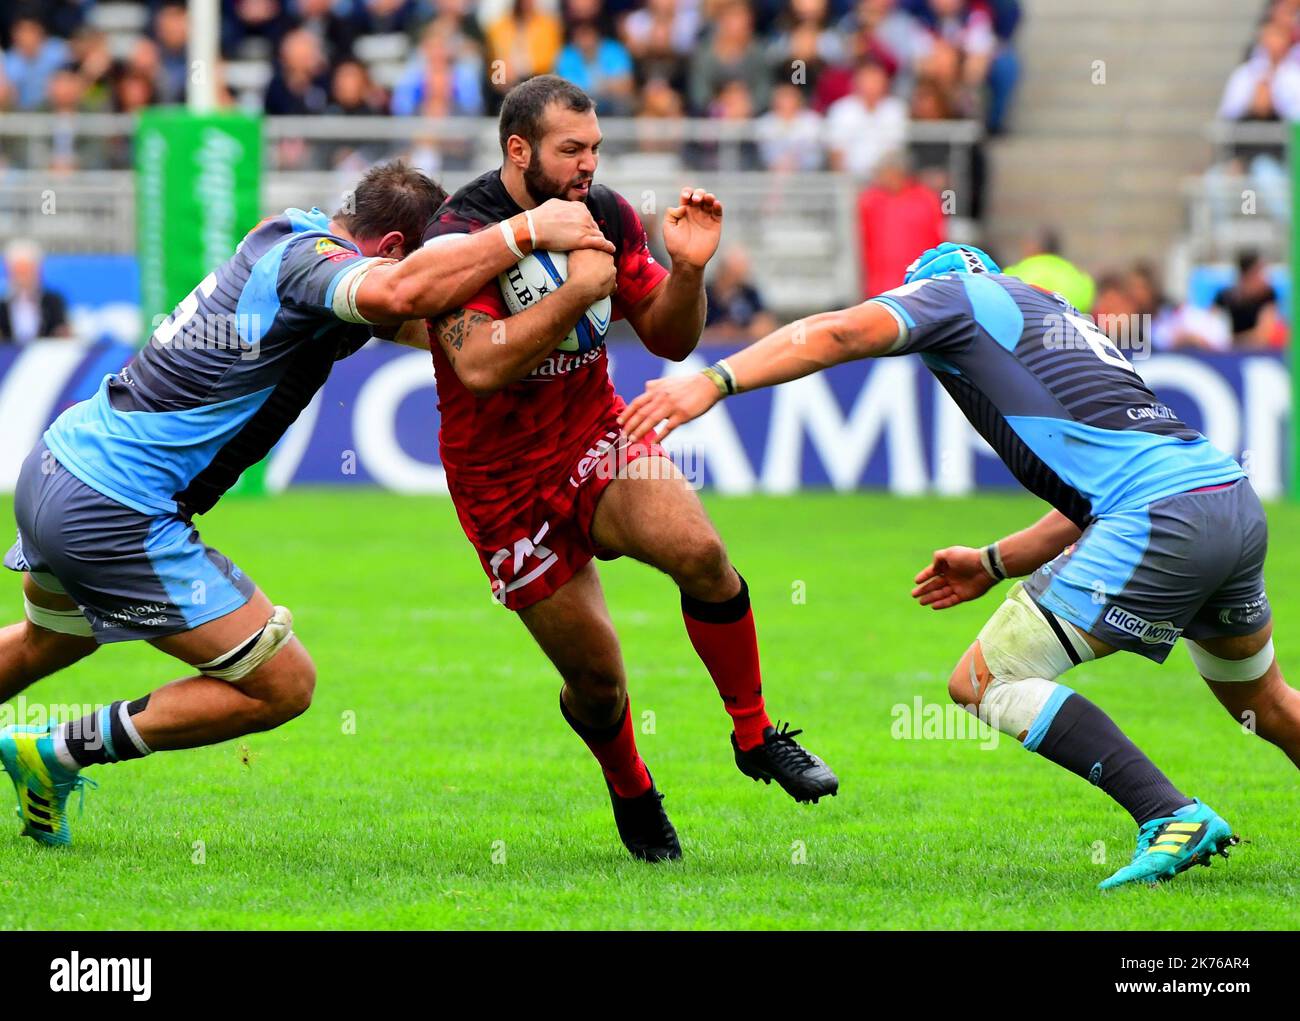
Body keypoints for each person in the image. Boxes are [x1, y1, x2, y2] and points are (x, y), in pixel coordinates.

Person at [622, 242, 1298, 890]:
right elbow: (1098, 490)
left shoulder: (955, 294)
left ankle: (1167, 813)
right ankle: (1171, 812)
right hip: (1226, 502)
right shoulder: (1049, 318)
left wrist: (713, 381)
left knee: (984, 680)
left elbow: (837, 334)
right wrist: (993, 560)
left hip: (1161, 517)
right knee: (1263, 703)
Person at [0, 161, 617, 847]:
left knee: (43, 644)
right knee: (283, 683)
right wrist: (528, 230)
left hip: (59, 466)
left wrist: (546, 313)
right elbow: (406, 292)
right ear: (389, 247)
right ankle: (55, 750)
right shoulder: (315, 264)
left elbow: (443, 330)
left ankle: (47, 756)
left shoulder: (288, 238)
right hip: (112, 506)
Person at [422, 75, 838, 864]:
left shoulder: (607, 214)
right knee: (600, 683)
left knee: (703, 556)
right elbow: (476, 365)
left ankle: (754, 734)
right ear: (519, 151)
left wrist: (687, 272)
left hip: (594, 436)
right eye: (570, 150)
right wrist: (575, 293)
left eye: (595, 149)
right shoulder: (462, 234)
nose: (587, 165)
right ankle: (631, 786)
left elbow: (671, 339)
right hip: (502, 488)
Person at [0, 240, 71, 344]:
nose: (22, 277)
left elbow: (61, 332)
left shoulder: (53, 302)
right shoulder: (2, 306)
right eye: (18, 271)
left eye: (26, 270)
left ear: (37, 270)